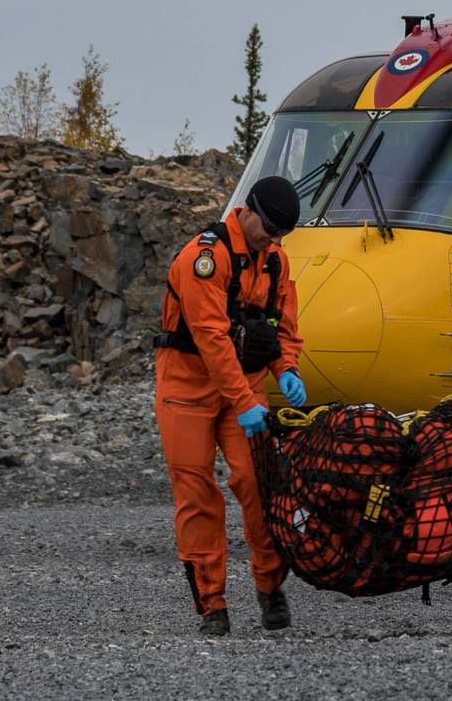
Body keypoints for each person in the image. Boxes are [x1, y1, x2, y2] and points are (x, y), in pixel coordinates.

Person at [153, 175, 308, 636]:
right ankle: (212, 605)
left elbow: (281, 327)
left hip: (245, 386)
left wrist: (288, 370)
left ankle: (268, 586)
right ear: (247, 211)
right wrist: (244, 400)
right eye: (269, 230)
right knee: (198, 493)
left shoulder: (274, 261)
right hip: (187, 387)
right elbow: (211, 338)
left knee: (259, 485)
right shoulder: (204, 258)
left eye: (281, 235)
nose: (273, 240)